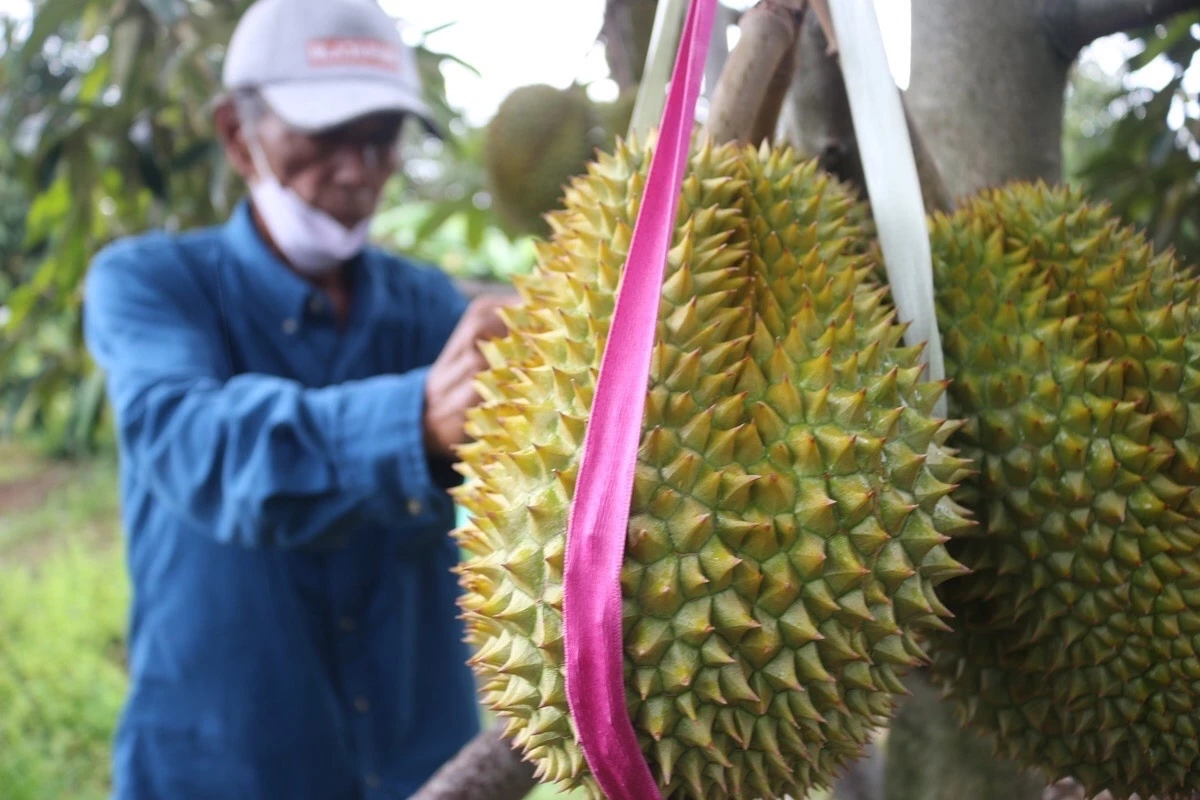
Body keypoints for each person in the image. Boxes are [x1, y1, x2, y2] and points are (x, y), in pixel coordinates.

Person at [81, 0, 513, 797]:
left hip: (426, 754)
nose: (359, 170)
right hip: (224, 764)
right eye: (325, 135)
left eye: (381, 136)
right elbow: (194, 444)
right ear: (238, 135)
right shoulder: (148, 284)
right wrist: (413, 421)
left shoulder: (428, 307)